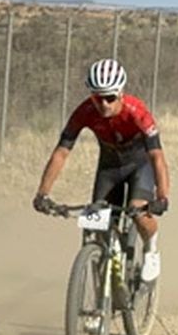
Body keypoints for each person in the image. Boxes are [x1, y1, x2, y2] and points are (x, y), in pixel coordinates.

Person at [33, 58, 171, 282]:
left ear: (121, 93)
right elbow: (61, 152)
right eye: (98, 97)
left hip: (139, 165)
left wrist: (163, 196)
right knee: (95, 224)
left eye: (110, 97)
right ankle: (98, 300)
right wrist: (43, 193)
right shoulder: (85, 111)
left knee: (137, 210)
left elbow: (156, 156)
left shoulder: (137, 112)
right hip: (109, 168)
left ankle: (151, 249)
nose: (104, 104)